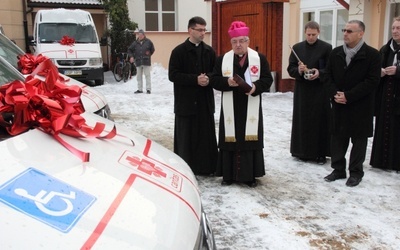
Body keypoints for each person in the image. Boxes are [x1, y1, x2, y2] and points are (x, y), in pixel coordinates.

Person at [209, 21, 273, 187]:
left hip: (250, 103)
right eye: (234, 42)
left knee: (249, 139)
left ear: (248, 41)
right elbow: (214, 79)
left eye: (242, 41)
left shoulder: (259, 59)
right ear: (231, 43)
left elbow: (267, 79)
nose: (238, 45)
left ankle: (249, 175)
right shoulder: (223, 59)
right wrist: (226, 82)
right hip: (230, 106)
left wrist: (255, 87)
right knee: (230, 138)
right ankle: (228, 175)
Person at [323, 20, 381, 187]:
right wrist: (335, 94)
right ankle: (338, 169)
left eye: (349, 31)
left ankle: (355, 172)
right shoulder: (335, 53)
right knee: (337, 138)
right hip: (339, 103)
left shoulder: (373, 55)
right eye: (344, 30)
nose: (345, 34)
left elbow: (372, 81)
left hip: (360, 105)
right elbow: (327, 76)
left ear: (360, 33)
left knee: (359, 140)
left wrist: (349, 95)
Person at [168, 16, 218, 175]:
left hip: (204, 103)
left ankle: (206, 168)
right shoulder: (178, 51)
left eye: (205, 29)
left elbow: (216, 72)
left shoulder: (209, 51)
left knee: (205, 137)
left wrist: (208, 78)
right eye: (200, 30)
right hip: (186, 103)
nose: (203, 33)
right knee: (186, 139)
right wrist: (195, 79)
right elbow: (173, 75)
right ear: (190, 30)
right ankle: (185, 168)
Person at [287, 21, 332, 165]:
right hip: (302, 90)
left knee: (319, 120)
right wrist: (299, 71)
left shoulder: (326, 48)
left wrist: (319, 73)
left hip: (319, 90)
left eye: (313, 34)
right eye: (308, 34)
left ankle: (319, 153)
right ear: (305, 33)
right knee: (302, 120)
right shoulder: (297, 48)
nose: (311, 37)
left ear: (318, 32)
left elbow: (331, 69)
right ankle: (300, 151)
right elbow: (291, 68)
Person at [370, 17, 400, 171]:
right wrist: (380, 72)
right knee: (384, 127)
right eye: (393, 28)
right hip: (385, 96)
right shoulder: (385, 49)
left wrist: (398, 71)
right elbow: (374, 68)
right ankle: (381, 161)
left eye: (398, 28)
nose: (395, 31)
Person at [128, 29, 155, 94]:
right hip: (138, 61)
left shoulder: (148, 41)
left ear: (144, 35)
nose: (140, 36)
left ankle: (148, 89)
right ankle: (140, 89)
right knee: (139, 76)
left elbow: (152, 49)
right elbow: (129, 49)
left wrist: (149, 54)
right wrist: (131, 56)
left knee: (147, 75)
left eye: (141, 35)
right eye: (139, 34)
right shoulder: (135, 43)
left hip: (146, 61)